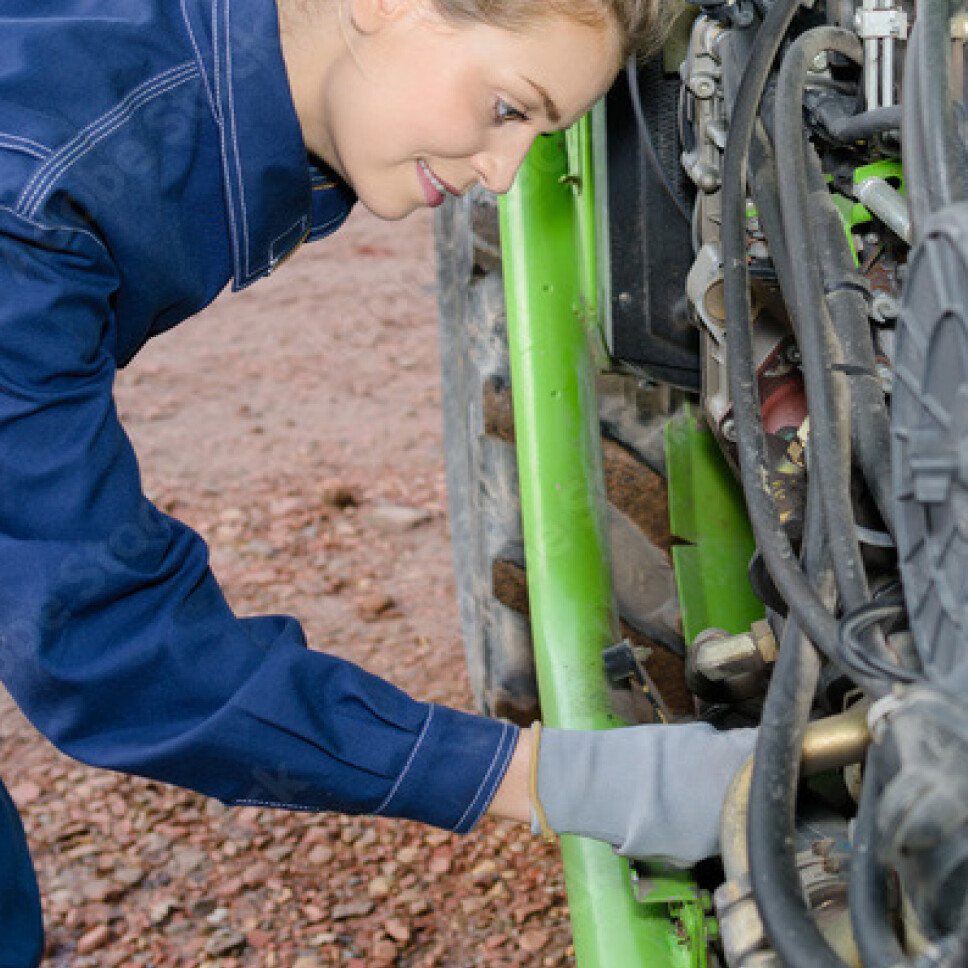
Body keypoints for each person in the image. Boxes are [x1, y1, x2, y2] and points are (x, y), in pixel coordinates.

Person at [0, 0, 756, 961]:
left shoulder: (195, 79)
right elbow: (105, 642)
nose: (503, 173)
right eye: (507, 109)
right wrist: (549, 781)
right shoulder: (33, 192)